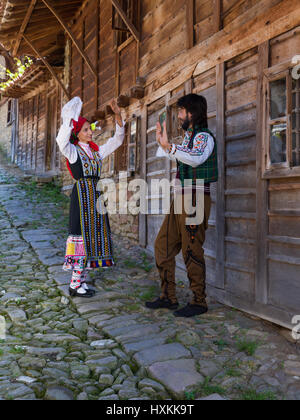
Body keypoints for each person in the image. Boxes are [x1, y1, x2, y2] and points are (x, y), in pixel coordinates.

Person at [145, 94, 218, 317]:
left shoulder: (205, 138)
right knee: (162, 246)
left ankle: (199, 301)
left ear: (192, 113)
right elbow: (182, 156)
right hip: (181, 199)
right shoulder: (188, 138)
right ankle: (168, 297)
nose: (178, 116)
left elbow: (195, 158)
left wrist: (170, 147)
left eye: (181, 111)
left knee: (191, 249)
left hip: (195, 200)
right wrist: (164, 145)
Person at [56, 97, 125, 298]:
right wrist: (70, 120)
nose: (90, 132)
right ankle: (75, 284)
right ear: (77, 133)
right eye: (85, 129)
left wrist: (118, 114)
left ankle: (80, 282)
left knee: (91, 238)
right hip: (81, 196)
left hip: (95, 195)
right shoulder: (73, 151)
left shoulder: (96, 152)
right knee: (80, 237)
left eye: (90, 128)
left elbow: (118, 140)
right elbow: (61, 141)